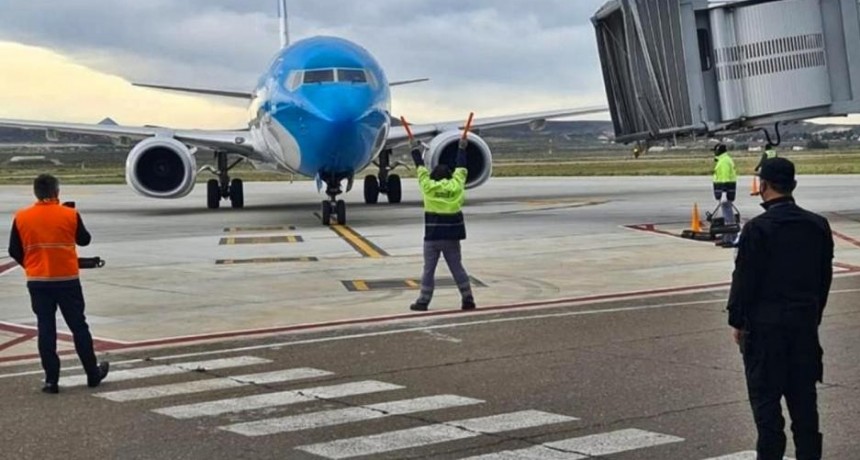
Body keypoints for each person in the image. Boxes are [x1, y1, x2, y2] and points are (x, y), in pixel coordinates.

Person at [727, 158, 833, 460]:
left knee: (768, 413)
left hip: (764, 332)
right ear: (793, 186)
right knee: (805, 410)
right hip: (803, 329)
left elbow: (744, 280)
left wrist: (737, 321)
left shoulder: (757, 228)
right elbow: (824, 278)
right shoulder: (818, 224)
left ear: (763, 186)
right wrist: (813, 315)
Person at [8, 174, 109, 394]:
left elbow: (13, 250)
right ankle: (92, 374)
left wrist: (33, 266)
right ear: (57, 192)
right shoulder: (69, 214)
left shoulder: (22, 217)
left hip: (38, 282)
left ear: (36, 192)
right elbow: (84, 239)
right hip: (67, 281)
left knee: (46, 328)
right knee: (78, 327)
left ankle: (51, 381)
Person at [409, 138, 476, 312]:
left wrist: (415, 151)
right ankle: (468, 299)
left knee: (428, 270)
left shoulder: (428, 188)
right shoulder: (456, 186)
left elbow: (420, 169)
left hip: (432, 238)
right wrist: (462, 149)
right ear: (449, 175)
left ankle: (423, 301)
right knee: (457, 268)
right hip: (452, 238)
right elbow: (461, 169)